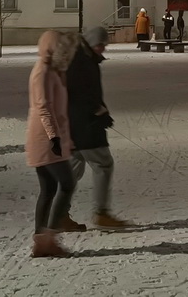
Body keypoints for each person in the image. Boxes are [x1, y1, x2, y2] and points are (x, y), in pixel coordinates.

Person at [65, 26, 130, 229]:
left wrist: (101, 110)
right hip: (85, 125)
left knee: (71, 171)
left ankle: (58, 213)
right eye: (100, 44)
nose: (103, 48)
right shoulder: (81, 62)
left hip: (77, 125)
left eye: (104, 45)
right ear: (91, 42)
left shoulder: (83, 58)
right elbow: (79, 94)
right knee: (103, 164)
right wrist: (97, 111)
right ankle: (101, 213)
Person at [26, 29, 77, 257]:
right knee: (67, 183)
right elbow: (43, 107)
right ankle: (48, 237)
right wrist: (54, 138)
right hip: (45, 139)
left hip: (50, 138)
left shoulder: (54, 71)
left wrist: (66, 138)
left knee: (48, 189)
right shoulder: (43, 72)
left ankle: (42, 241)